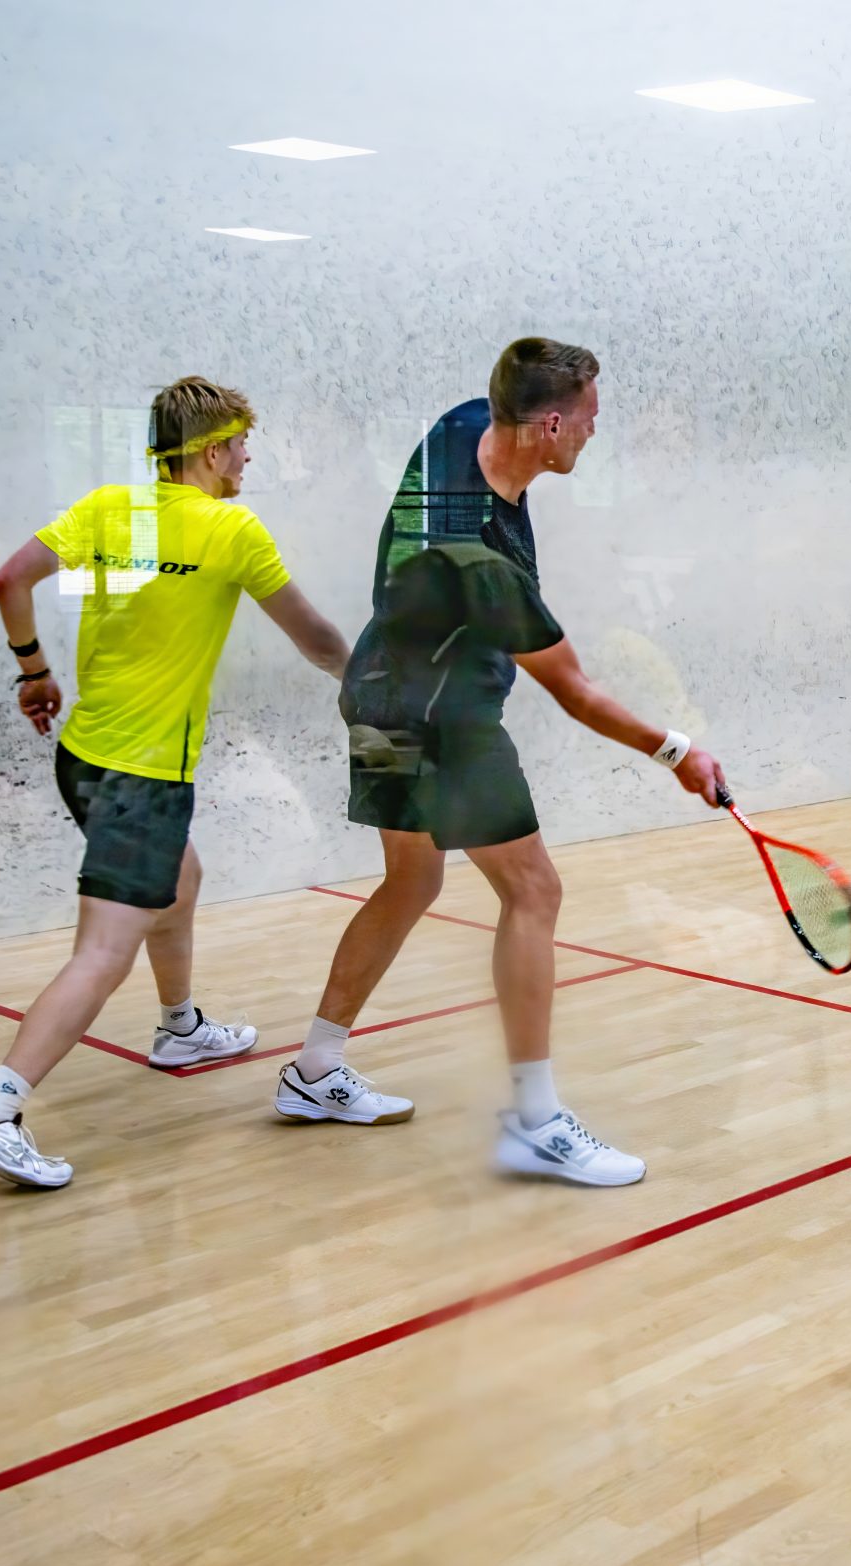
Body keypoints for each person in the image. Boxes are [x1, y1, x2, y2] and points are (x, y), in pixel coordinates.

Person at [278, 338, 723, 1187]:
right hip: (442, 722)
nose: (595, 431)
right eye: (588, 417)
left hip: (374, 696)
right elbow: (577, 692)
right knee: (534, 890)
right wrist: (677, 752)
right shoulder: (485, 564)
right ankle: (536, 1122)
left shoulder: (458, 428)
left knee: (412, 881)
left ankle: (315, 1068)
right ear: (549, 426)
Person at [0, 376, 354, 1188]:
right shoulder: (233, 530)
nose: (247, 459)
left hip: (84, 757)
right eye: (241, 446)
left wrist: (33, 671)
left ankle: (180, 1028)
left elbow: (9, 580)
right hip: (144, 775)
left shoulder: (108, 511)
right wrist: (371, 684)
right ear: (211, 452)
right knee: (102, 952)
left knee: (181, 879)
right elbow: (315, 638)